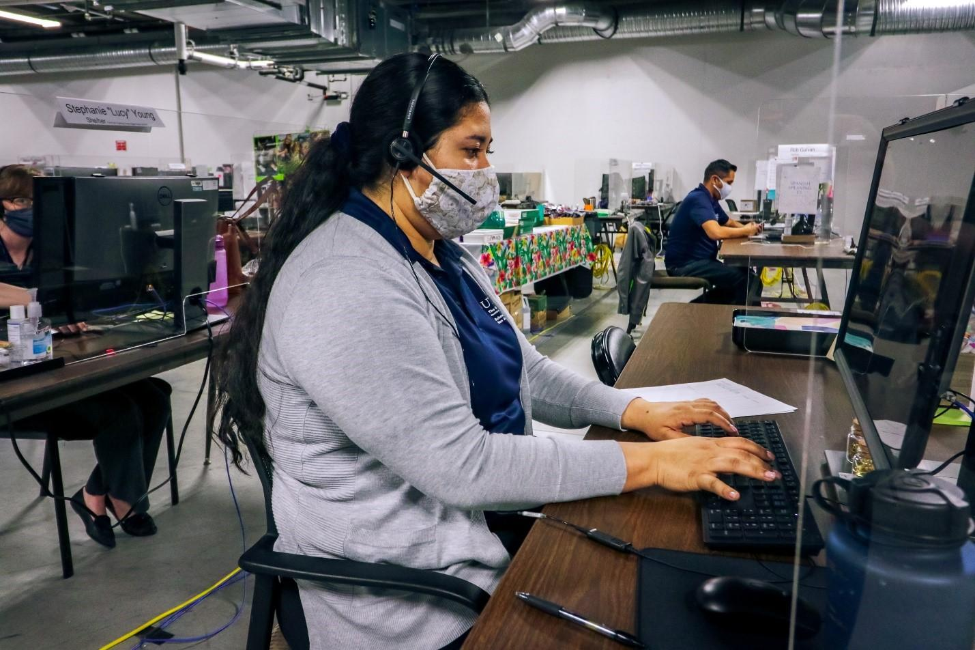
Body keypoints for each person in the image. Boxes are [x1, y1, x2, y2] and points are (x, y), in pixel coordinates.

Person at [214, 53, 777, 650]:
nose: (486, 171)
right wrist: (657, 464)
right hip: (414, 591)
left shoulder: (446, 256)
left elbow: (526, 373)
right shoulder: (345, 281)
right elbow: (464, 466)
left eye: (489, 150)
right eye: (471, 150)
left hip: (481, 527)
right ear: (403, 154)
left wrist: (632, 411)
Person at [0, 164, 170, 548]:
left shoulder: (52, 247)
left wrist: (71, 313)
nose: (33, 209)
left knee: (154, 397)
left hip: (53, 364)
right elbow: (32, 299)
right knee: (121, 411)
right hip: (15, 387)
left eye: (39, 201)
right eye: (23, 200)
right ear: (4, 204)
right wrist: (41, 302)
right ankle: (122, 501)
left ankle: (96, 493)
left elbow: (78, 294)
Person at [665, 160, 763, 305]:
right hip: (684, 265)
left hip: (700, 261)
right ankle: (743, 325)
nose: (730, 187)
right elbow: (715, 233)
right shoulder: (698, 199)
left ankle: (699, 309)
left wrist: (748, 227)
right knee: (748, 281)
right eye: (729, 182)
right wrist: (745, 231)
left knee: (748, 279)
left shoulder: (710, 199)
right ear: (715, 180)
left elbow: (728, 222)